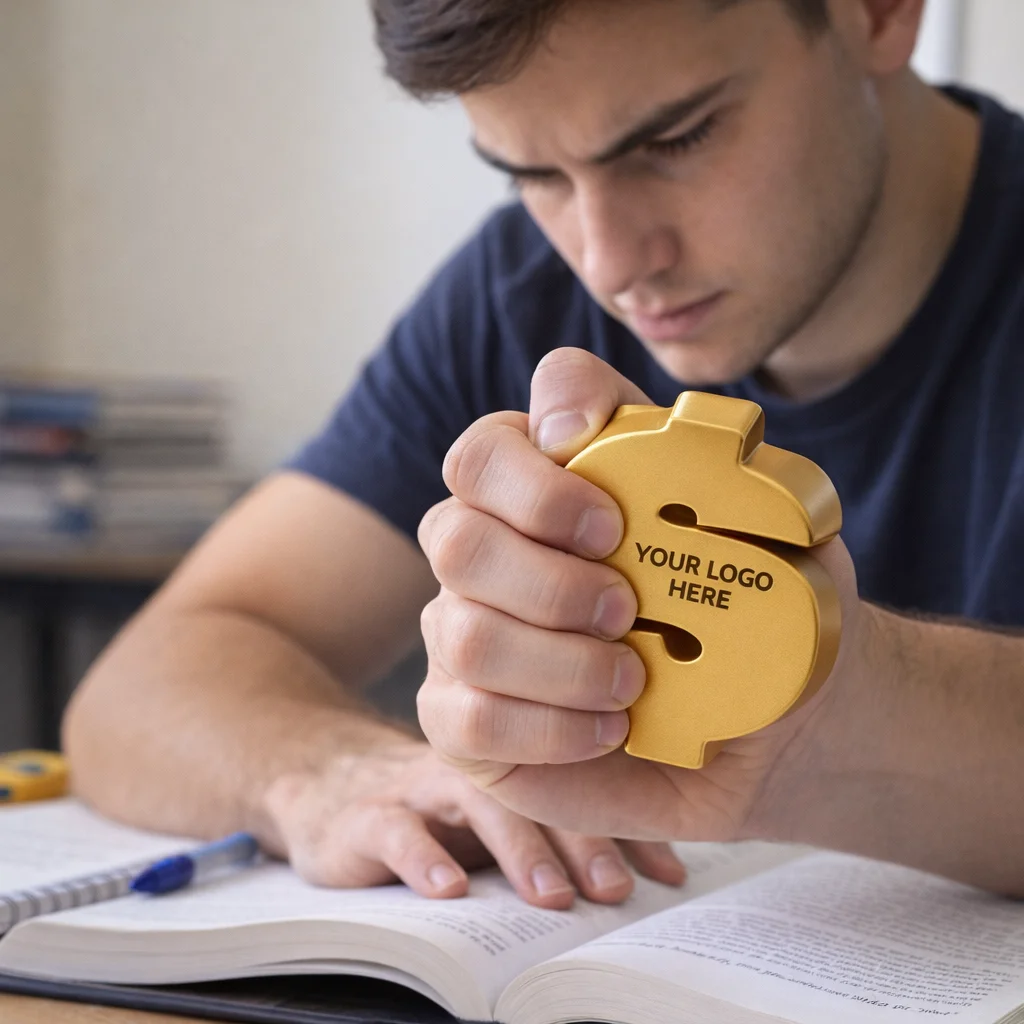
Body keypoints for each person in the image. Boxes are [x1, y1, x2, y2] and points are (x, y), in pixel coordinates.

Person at [64, 0, 1024, 907]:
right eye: (531, 174)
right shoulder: (514, 294)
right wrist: (328, 770)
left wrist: (834, 721)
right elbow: (141, 688)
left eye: (677, 138)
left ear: (882, 11)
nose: (608, 265)